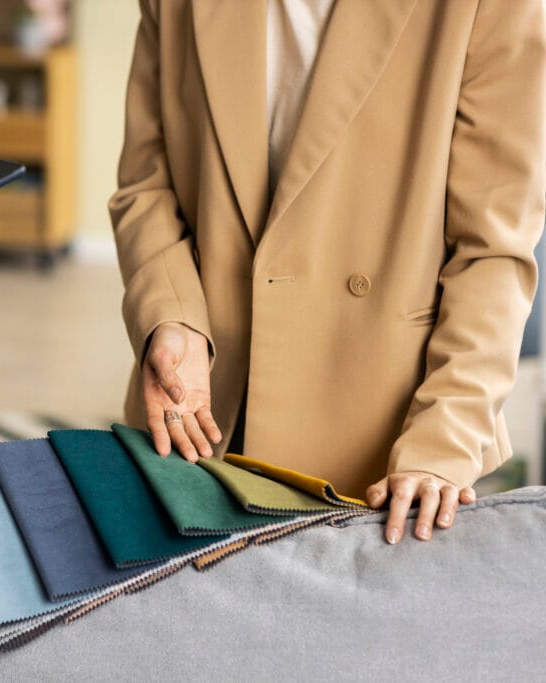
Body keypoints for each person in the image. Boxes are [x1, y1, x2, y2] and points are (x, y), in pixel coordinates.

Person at [110, 0, 545, 543]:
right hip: (202, 407)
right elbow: (145, 187)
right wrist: (170, 316)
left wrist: (443, 444)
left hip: (389, 440)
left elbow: (492, 250)